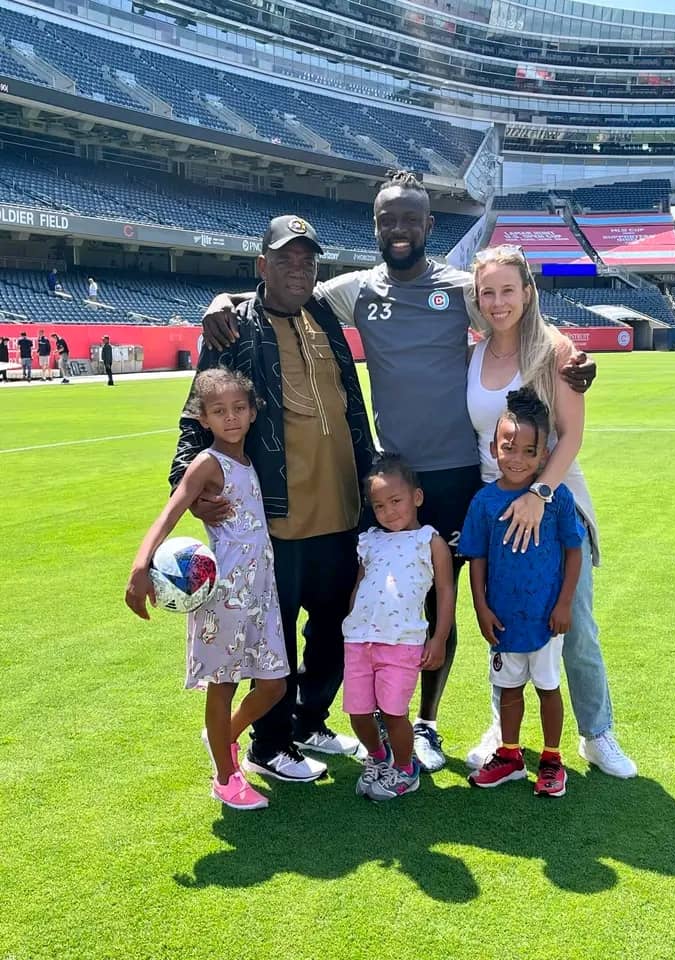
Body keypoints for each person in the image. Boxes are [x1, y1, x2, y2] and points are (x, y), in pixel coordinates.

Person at [200, 171, 597, 773]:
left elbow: (515, 309)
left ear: (430, 225)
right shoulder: (356, 290)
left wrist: (572, 354)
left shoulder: (461, 289)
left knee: (443, 603)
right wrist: (223, 300)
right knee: (378, 600)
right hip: (393, 480)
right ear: (376, 227)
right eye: (389, 220)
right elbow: (287, 286)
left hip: (459, 476)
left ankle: (426, 724)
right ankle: (353, 716)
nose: (400, 229)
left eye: (411, 219)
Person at [169, 215, 375, 784]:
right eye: (285, 259)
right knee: (274, 642)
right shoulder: (234, 328)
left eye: (307, 261)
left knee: (333, 629)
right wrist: (187, 483)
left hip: (343, 511)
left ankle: (310, 722)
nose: (298, 270)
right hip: (275, 519)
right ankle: (269, 743)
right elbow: (195, 415)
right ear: (262, 265)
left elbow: (351, 406)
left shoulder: (324, 316)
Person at [464, 244, 636, 778]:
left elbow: (572, 435)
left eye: (507, 290)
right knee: (504, 623)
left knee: (575, 624)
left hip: (553, 501)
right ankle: (503, 731)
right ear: (476, 297)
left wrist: (538, 496)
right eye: (487, 292)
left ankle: (597, 733)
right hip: (497, 509)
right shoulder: (473, 353)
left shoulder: (555, 350)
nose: (498, 302)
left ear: (527, 292)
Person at [126, 368, 288, 811]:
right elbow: (170, 512)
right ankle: (224, 778)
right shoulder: (207, 463)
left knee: (274, 685)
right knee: (224, 685)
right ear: (204, 418)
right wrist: (141, 565)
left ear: (252, 413)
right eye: (219, 411)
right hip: (223, 598)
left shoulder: (248, 460)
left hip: (261, 593)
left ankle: (223, 738)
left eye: (238, 408)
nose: (230, 418)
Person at [460, 388, 584, 797]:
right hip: (504, 618)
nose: (517, 459)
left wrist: (564, 603)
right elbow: (477, 558)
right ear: (493, 448)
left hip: (546, 617)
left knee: (548, 687)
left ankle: (552, 760)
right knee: (509, 688)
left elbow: (573, 550)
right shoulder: (483, 502)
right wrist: (481, 608)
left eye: (529, 452)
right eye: (508, 447)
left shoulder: (556, 497)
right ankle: (510, 755)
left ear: (544, 455)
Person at [344, 455, 454, 802]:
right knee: (358, 713)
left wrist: (439, 638)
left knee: (393, 713)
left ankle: (406, 769)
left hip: (402, 642)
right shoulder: (370, 540)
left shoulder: (429, 541)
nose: (388, 511)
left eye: (396, 501)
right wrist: (352, 620)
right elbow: (360, 584)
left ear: (416, 497)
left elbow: (445, 591)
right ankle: (379, 757)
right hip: (359, 640)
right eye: (379, 505)